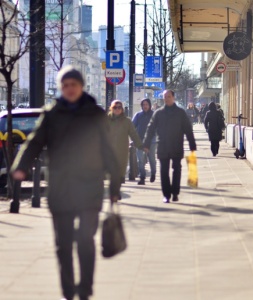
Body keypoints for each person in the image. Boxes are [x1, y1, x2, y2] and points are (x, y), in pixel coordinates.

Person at [11, 66, 121, 300]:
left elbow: (109, 151)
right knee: (63, 245)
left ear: (81, 86)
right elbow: (34, 142)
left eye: (74, 84)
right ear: (62, 88)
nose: (69, 89)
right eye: (65, 85)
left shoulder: (95, 114)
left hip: (90, 187)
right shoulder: (52, 114)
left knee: (84, 241)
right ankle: (68, 292)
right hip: (61, 187)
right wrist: (21, 166)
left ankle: (85, 288)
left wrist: (114, 187)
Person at [143, 90, 196, 203]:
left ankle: (175, 193)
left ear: (173, 98)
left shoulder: (180, 113)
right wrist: (146, 144)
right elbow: (150, 129)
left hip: (176, 145)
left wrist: (192, 144)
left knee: (176, 170)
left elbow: (188, 129)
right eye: (165, 97)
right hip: (163, 146)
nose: (166, 99)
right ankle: (166, 195)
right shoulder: (158, 113)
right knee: (164, 171)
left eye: (169, 96)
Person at [108, 100, 143, 188]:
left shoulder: (127, 121)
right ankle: (114, 192)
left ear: (122, 109)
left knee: (120, 173)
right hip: (109, 151)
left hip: (122, 151)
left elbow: (133, 134)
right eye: (115, 107)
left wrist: (140, 145)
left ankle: (117, 190)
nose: (117, 109)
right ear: (111, 109)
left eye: (119, 107)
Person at [132, 98, 156, 185]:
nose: (145, 106)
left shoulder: (154, 114)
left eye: (146, 104)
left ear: (149, 105)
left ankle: (153, 173)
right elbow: (132, 127)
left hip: (152, 141)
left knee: (151, 159)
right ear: (141, 106)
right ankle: (142, 177)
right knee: (141, 160)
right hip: (140, 141)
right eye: (143, 105)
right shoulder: (138, 115)